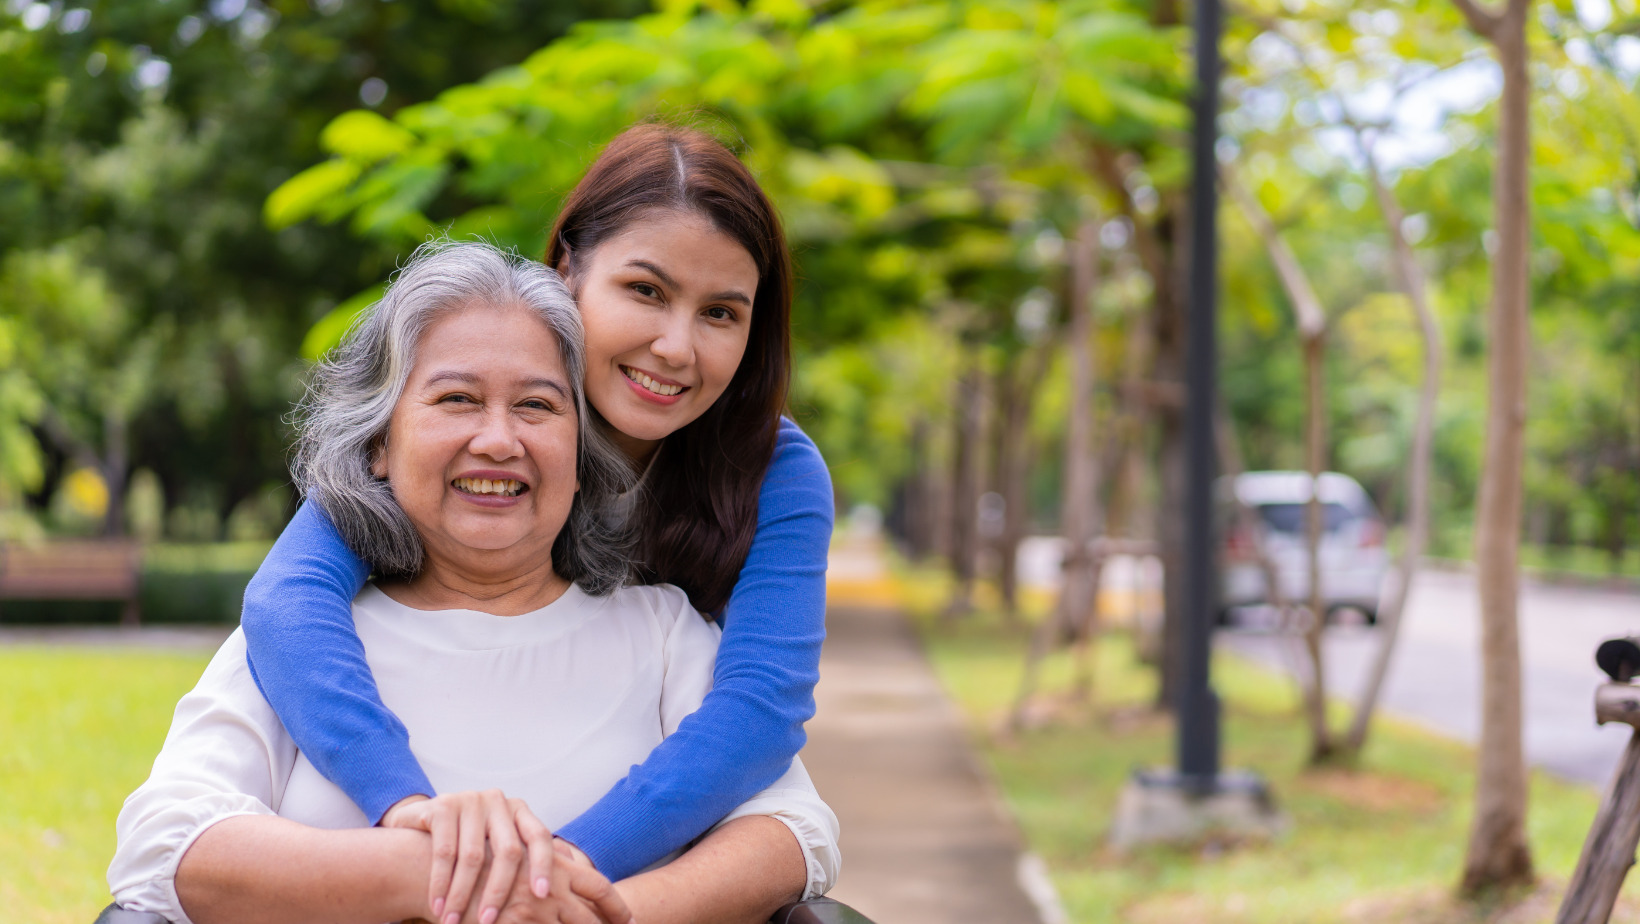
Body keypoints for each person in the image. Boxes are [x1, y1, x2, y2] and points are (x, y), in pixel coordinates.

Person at [108, 241, 839, 924]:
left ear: (582, 456)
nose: (498, 439)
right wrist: (432, 869)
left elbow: (793, 832)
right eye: (456, 399)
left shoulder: (663, 631)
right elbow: (161, 844)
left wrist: (588, 913)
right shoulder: (306, 640)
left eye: (537, 406)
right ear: (378, 446)